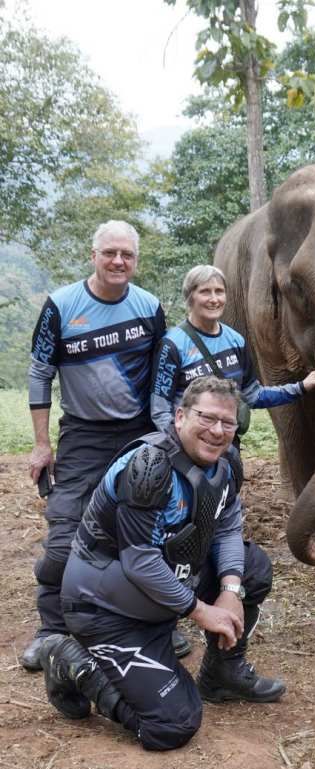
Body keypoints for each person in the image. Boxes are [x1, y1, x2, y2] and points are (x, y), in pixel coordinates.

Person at [38, 376, 284, 751]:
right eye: (207, 418)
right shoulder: (148, 467)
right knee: (171, 725)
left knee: (252, 567)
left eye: (228, 423)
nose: (217, 431)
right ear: (180, 416)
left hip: (163, 593)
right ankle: (71, 659)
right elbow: (140, 562)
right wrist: (201, 610)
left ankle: (222, 673)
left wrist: (231, 590)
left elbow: (228, 526)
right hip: (110, 609)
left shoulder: (227, 461)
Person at [24, 221, 166, 671]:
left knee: (146, 532)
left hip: (139, 433)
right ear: (94, 255)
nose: (118, 261)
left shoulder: (149, 307)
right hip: (83, 434)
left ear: (136, 260)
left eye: (126, 254)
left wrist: (165, 435)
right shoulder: (62, 306)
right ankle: (51, 632)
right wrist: (42, 445)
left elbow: (164, 375)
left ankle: (152, 625)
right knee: (64, 537)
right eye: (110, 253)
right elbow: (39, 372)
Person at [150, 264, 315, 433]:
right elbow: (160, 411)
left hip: (226, 444)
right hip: (188, 447)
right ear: (190, 297)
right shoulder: (172, 344)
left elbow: (252, 395)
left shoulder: (235, 340)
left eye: (219, 291)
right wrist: (180, 446)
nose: (214, 299)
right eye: (204, 292)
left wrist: (300, 387)